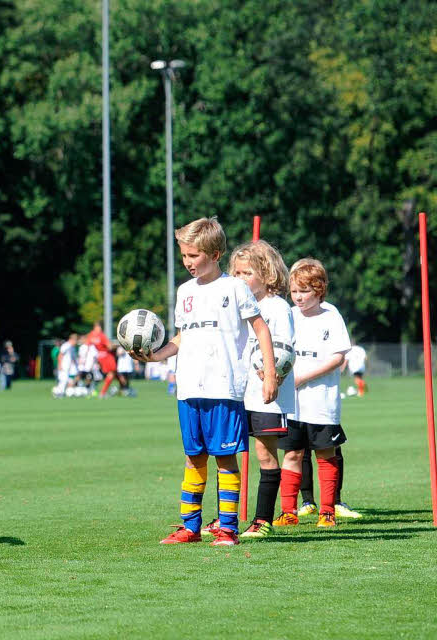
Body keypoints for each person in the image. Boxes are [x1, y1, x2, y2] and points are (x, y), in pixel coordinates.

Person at [132, 217, 277, 546]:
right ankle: (190, 527)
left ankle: (227, 528)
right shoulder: (184, 292)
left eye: (193, 256)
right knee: (193, 457)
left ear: (215, 254)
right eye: (184, 256)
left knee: (225, 458)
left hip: (223, 389)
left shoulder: (234, 288)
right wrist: (155, 356)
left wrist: (270, 373)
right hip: (189, 389)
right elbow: (182, 338)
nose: (187, 263)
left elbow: (261, 329)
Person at [223, 240, 296, 539]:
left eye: (247, 273)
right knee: (227, 454)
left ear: (267, 275)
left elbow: (285, 351)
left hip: (268, 396)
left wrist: (271, 374)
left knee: (266, 458)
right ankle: (224, 519)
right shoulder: (240, 308)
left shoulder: (276, 308)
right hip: (239, 393)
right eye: (236, 273)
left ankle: (262, 520)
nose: (240, 279)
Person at [273, 258, 352, 528]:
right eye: (294, 291)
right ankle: (288, 511)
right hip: (292, 404)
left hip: (321, 403)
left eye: (304, 291)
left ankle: (328, 511)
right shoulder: (288, 316)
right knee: (292, 454)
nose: (298, 297)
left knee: (325, 455)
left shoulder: (331, 316)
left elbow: (337, 357)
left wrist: (303, 376)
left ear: (318, 290)